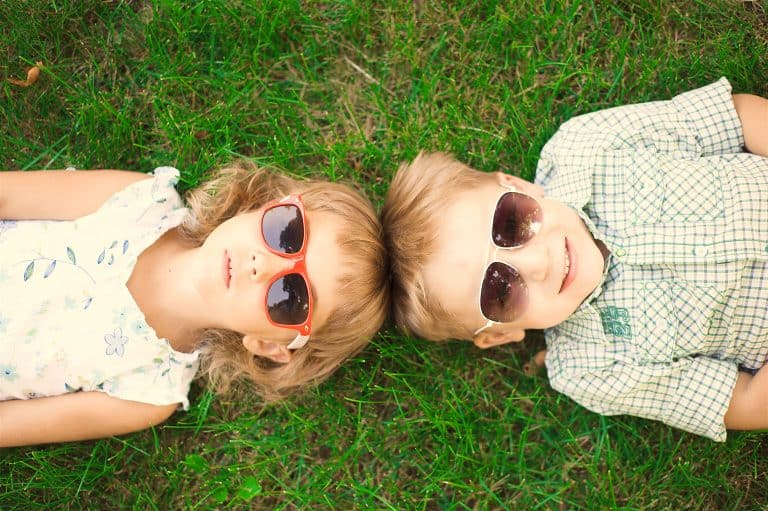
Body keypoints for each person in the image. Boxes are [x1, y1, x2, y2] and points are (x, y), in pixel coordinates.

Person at [381, 78, 768, 441]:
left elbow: (730, 118)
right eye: (500, 291)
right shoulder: (590, 369)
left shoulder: (585, 147)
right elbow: (746, 402)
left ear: (515, 184)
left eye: (511, 222)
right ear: (499, 334)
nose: (537, 264)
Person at [0, 160, 389, 447]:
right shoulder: (138, 202)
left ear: (270, 344)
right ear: (268, 205)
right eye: (287, 232)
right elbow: (7, 195)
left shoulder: (149, 391)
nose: (263, 264)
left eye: (291, 297)